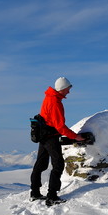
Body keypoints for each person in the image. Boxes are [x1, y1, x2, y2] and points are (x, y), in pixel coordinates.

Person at [30, 77, 84, 206]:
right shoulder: (55, 102)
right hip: (50, 137)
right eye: (68, 89)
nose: (69, 92)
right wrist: (75, 137)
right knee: (58, 165)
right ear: (62, 89)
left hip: (43, 135)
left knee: (41, 164)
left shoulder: (49, 97)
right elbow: (60, 126)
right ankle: (52, 196)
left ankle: (35, 193)